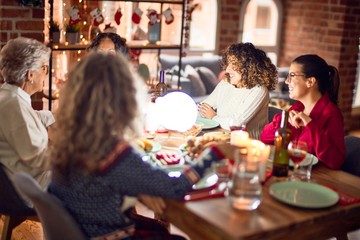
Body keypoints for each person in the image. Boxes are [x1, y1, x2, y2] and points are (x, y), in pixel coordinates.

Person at [48, 52, 236, 239]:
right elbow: (175, 188)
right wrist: (215, 152)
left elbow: (107, 183)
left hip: (86, 230)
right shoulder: (111, 152)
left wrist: (141, 187)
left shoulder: (69, 140)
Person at [261, 54, 345, 169]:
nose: (286, 81)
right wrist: (284, 120)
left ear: (310, 82)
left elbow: (336, 161)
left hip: (316, 177)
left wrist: (310, 125)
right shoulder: (297, 108)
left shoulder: (331, 114)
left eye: (292, 75)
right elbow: (264, 137)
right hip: (291, 171)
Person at [0, 37, 52, 198]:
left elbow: (25, 123)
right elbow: (38, 158)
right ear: (30, 75)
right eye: (45, 68)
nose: (46, 73)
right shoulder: (14, 106)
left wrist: (49, 117)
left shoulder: (7, 96)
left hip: (22, 181)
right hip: (31, 189)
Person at [198, 42, 278, 139]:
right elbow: (203, 108)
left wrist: (213, 117)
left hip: (248, 146)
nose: (227, 70)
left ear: (248, 67)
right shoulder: (225, 83)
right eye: (228, 64)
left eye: (233, 65)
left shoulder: (259, 90)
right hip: (223, 138)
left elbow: (236, 124)